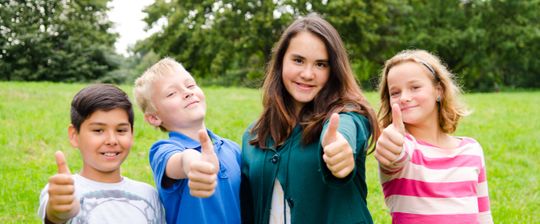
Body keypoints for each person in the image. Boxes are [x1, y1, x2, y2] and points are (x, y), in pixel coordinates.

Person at [240, 14, 380, 224]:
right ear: (280, 62)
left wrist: (339, 147)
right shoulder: (254, 135)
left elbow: (344, 129)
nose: (307, 74)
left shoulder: (349, 115)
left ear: (334, 70)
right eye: (298, 60)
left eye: (321, 64)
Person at [374, 49, 493, 223]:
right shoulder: (404, 147)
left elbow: (484, 216)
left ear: (438, 90)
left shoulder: (471, 150)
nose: (404, 97)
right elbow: (395, 156)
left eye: (414, 87)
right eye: (395, 92)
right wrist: (390, 145)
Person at [133, 58, 241, 224]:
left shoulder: (232, 149)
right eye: (171, 93)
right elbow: (180, 161)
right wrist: (191, 161)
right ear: (154, 117)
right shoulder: (163, 150)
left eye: (190, 85)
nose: (187, 92)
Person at [38, 84, 165, 223]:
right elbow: (55, 215)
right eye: (98, 130)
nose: (112, 140)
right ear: (74, 135)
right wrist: (59, 213)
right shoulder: (65, 190)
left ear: (132, 134)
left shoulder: (149, 195)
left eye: (121, 130)